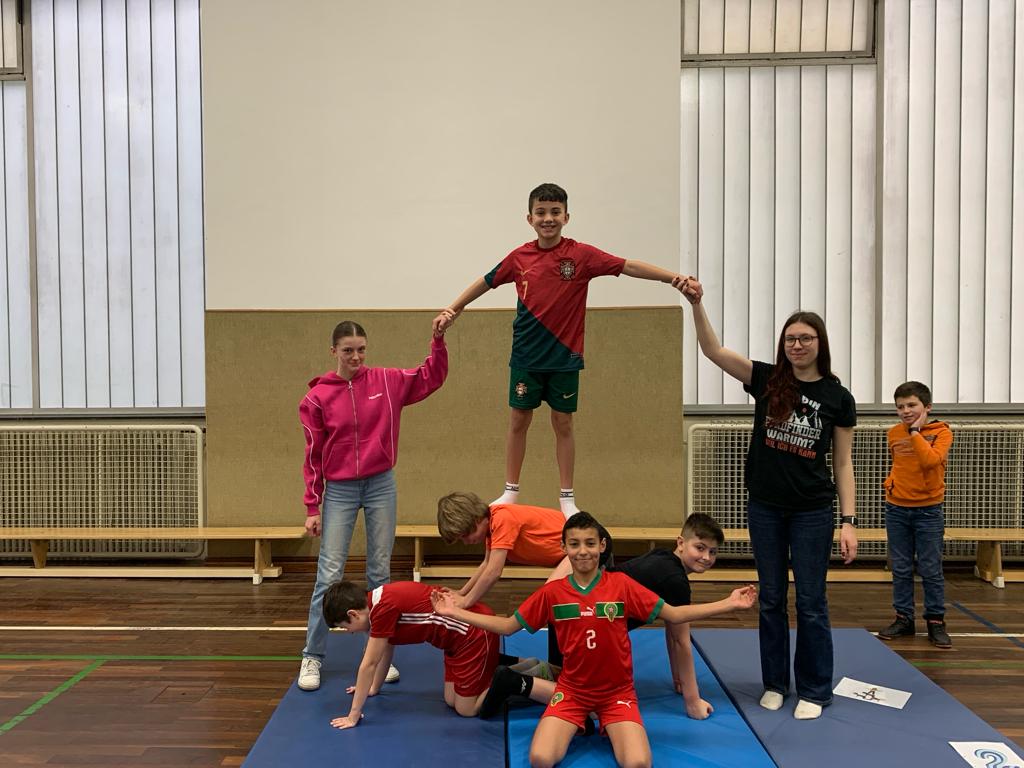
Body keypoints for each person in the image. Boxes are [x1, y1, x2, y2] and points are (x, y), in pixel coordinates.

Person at [432, 183, 689, 518]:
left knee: (563, 422)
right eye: (541, 212)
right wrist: (453, 309)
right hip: (526, 355)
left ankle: (567, 497)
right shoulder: (519, 258)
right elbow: (486, 281)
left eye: (555, 212)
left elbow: (628, 266)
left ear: (566, 216)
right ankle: (510, 491)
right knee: (518, 420)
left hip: (564, 357)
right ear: (529, 218)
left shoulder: (581, 256)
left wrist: (674, 278)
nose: (548, 218)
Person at [432, 512, 757, 768]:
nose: (583, 551)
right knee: (540, 759)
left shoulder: (623, 586)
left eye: (590, 543)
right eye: (574, 544)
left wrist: (729, 603)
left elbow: (674, 614)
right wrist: (454, 611)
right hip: (572, 692)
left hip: (617, 694)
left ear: (602, 546)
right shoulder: (553, 593)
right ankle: (580, 720)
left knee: (638, 763)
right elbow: (506, 626)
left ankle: (591, 721)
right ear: (564, 549)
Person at [682, 277, 857, 721]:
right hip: (766, 508)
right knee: (772, 598)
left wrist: (849, 521)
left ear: (820, 343)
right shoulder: (766, 379)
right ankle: (776, 684)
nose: (797, 345)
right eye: (790, 338)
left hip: (813, 510)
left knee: (812, 602)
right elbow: (713, 351)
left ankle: (815, 690)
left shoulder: (838, 397)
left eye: (806, 338)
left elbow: (842, 463)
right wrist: (696, 304)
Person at [297, 320, 448, 692]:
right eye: (348, 350)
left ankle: (379, 656)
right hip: (340, 490)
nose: (356, 357)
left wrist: (438, 339)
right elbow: (313, 456)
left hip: (381, 484)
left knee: (380, 574)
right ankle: (312, 655)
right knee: (328, 574)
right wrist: (312, 505)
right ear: (334, 351)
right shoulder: (316, 399)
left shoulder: (386, 380)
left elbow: (431, 377)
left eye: (361, 349)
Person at [525, 513, 728, 721]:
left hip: (576, 620)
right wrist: (693, 701)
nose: (706, 557)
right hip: (578, 625)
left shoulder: (663, 556)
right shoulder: (676, 581)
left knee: (558, 674)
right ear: (681, 543)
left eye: (713, 552)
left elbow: (674, 630)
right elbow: (680, 642)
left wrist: (679, 680)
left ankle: (525, 669)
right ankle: (516, 682)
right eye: (700, 548)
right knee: (588, 708)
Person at [322, 580, 500, 728]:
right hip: (455, 644)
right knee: (451, 700)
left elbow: (369, 664)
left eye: (345, 627)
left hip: (474, 635)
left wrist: (353, 715)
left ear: (353, 614)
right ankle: (490, 667)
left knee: (466, 710)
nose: (350, 632)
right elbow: (386, 650)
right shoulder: (377, 602)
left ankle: (507, 679)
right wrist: (374, 687)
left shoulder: (382, 609)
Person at [436, 491, 614, 608]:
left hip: (587, 544)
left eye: (466, 535)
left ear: (476, 519)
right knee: (552, 596)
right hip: (572, 551)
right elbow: (487, 564)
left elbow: (494, 572)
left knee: (549, 595)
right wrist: (461, 593)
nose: (466, 542)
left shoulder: (502, 518)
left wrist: (465, 602)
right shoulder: (491, 526)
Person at [877, 381, 953, 648]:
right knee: (900, 568)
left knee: (930, 568)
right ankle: (904, 618)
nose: (906, 411)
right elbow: (901, 466)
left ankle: (935, 621)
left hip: (928, 511)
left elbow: (930, 461)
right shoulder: (893, 433)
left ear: (927, 407)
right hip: (896, 509)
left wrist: (916, 432)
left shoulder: (942, 432)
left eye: (912, 405)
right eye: (900, 407)